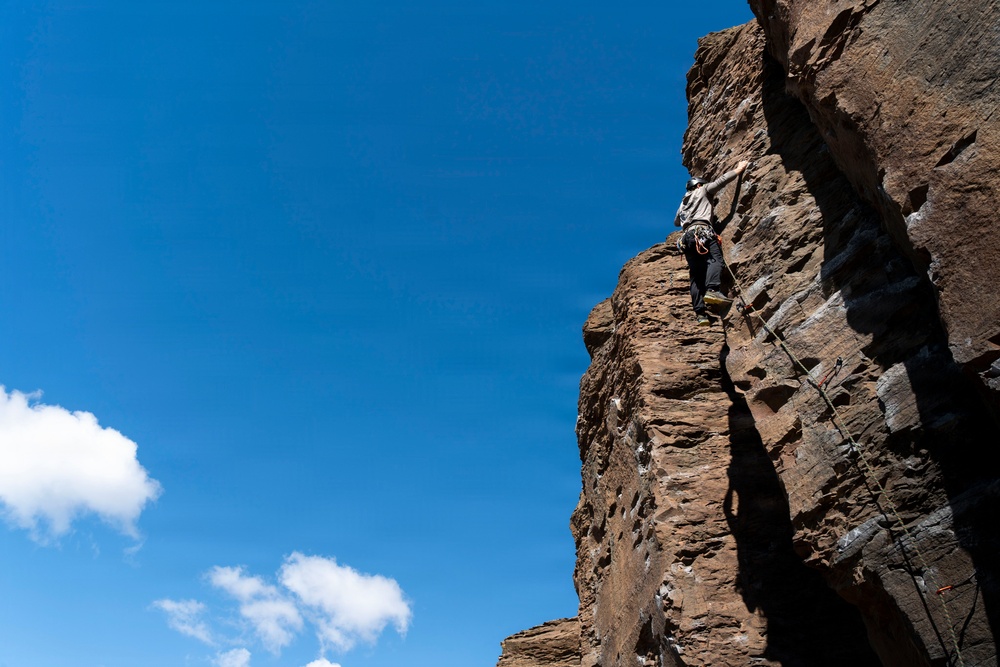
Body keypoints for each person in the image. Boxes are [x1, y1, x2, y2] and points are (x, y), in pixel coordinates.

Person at [673, 160, 748, 325]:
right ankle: (713, 290)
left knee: (696, 276)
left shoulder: (682, 204)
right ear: (699, 185)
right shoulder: (703, 190)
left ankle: (700, 313)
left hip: (686, 239)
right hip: (702, 231)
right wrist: (738, 169)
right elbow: (720, 182)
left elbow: (676, 222)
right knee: (715, 259)